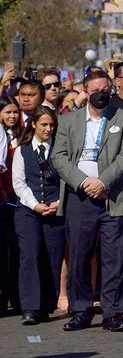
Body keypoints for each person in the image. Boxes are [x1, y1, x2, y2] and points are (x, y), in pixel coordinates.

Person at [50, 71, 123, 332]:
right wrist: (83, 182)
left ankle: (112, 312)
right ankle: (81, 310)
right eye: (96, 89)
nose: (101, 93)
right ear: (86, 91)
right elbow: (60, 157)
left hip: (113, 197)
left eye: (105, 89)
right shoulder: (69, 121)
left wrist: (103, 181)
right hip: (80, 197)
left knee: (115, 258)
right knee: (79, 256)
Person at [11, 105, 64, 325]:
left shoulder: (60, 149)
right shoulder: (22, 150)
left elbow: (66, 179)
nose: (48, 129)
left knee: (53, 255)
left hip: (55, 209)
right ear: (33, 124)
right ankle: (30, 308)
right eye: (43, 124)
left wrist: (58, 203)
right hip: (28, 211)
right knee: (30, 255)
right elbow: (19, 183)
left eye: (51, 125)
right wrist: (35, 205)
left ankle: (46, 304)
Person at [0, 93, 23, 316]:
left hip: (19, 201)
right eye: (7, 112)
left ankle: (17, 298)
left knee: (17, 252)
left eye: (15, 112)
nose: (13, 116)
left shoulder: (22, 135)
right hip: (3, 198)